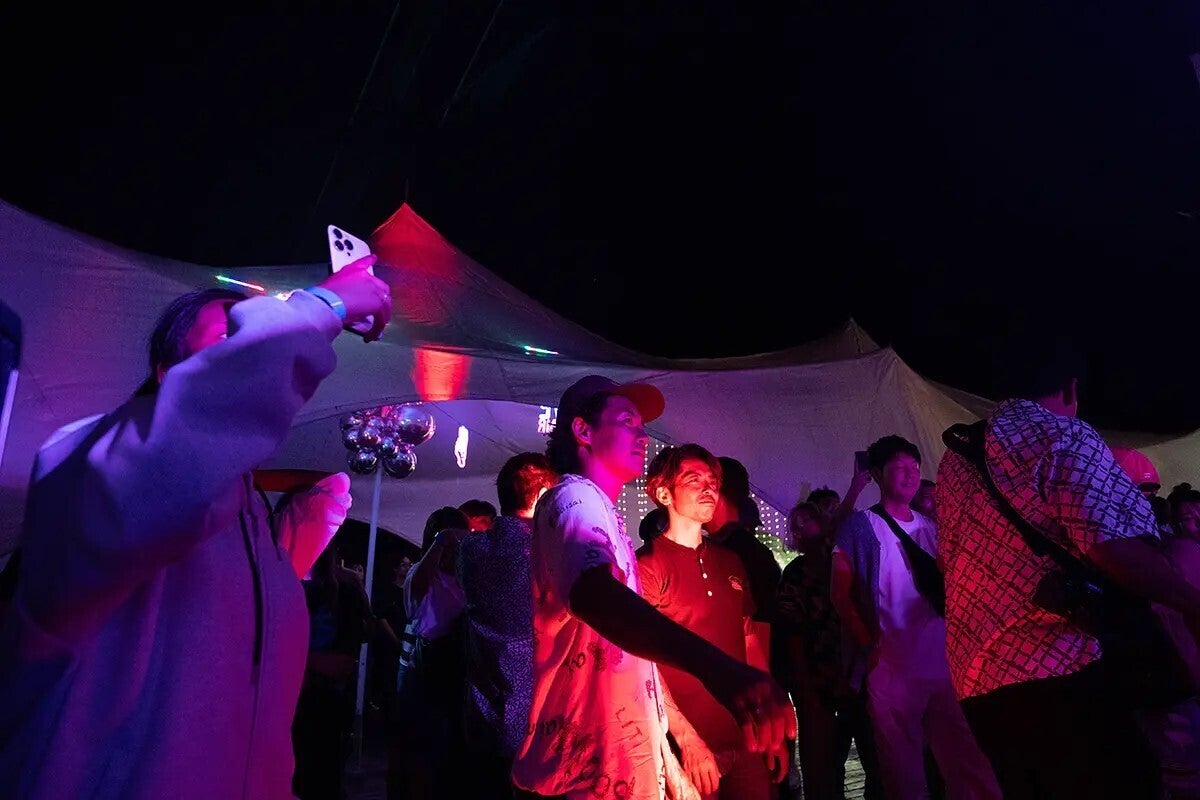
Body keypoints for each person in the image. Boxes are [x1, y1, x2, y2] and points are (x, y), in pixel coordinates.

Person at [0, 255, 391, 798]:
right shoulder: (88, 456)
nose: (253, 343)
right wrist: (324, 305)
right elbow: (165, 464)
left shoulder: (255, 530)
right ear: (169, 372)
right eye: (232, 335)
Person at [935, 334, 1200, 799]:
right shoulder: (1064, 434)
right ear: (1071, 388)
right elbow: (1115, 549)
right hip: (1059, 670)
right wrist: (1190, 601)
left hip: (978, 683)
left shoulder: (956, 458)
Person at [512, 375, 795, 800]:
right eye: (627, 421)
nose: (642, 435)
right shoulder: (573, 500)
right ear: (583, 430)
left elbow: (629, 659)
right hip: (589, 772)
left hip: (620, 765)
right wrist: (717, 669)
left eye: (642, 425)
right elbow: (596, 596)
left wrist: (665, 755)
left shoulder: (603, 514)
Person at [831, 435, 999, 800]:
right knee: (902, 768)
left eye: (915, 467)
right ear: (877, 474)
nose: (910, 474)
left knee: (965, 758)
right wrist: (868, 645)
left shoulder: (931, 528)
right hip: (891, 666)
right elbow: (839, 593)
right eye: (899, 467)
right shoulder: (860, 527)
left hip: (942, 662)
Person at [637, 444, 782, 800]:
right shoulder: (646, 565)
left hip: (745, 737)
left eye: (712, 481)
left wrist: (768, 718)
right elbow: (641, 662)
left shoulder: (730, 560)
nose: (709, 488)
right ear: (663, 493)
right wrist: (686, 738)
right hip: (686, 746)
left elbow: (748, 638)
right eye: (694, 480)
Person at [457, 451, 560, 799]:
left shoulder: (471, 548)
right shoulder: (549, 550)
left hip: (484, 706)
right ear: (544, 495)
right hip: (541, 713)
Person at [776, 502, 882, 800]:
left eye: (809, 519)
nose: (803, 527)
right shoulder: (796, 574)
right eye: (798, 523)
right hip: (822, 676)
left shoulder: (842, 562)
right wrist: (804, 683)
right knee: (827, 761)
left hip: (856, 672)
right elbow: (791, 630)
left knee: (872, 755)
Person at [390, 506, 472, 800]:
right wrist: (441, 541)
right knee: (426, 755)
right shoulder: (422, 574)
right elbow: (416, 592)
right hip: (430, 672)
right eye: (451, 542)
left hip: (461, 671)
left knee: (454, 758)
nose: (455, 549)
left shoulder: (467, 577)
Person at [292, 539, 377, 800]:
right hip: (298, 707)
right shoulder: (288, 581)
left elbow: (342, 663)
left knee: (318, 779)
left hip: (322, 707)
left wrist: (291, 659)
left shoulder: (343, 589)